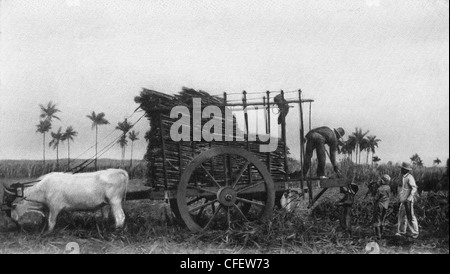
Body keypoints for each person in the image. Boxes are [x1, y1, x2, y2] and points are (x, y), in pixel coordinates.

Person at [396, 162, 419, 239]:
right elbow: (402, 189)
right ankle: (402, 232)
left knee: (410, 216)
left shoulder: (410, 177)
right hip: (403, 199)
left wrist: (409, 198)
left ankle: (415, 233)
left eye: (402, 169)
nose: (401, 170)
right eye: (401, 168)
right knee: (402, 215)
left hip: (408, 200)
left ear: (406, 170)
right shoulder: (403, 177)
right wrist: (401, 198)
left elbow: (414, 188)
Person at [372, 174, 391, 240]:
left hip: (379, 205)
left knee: (377, 220)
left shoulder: (380, 189)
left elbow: (376, 198)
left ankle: (378, 236)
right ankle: (381, 233)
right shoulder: (388, 187)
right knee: (382, 220)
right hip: (385, 205)